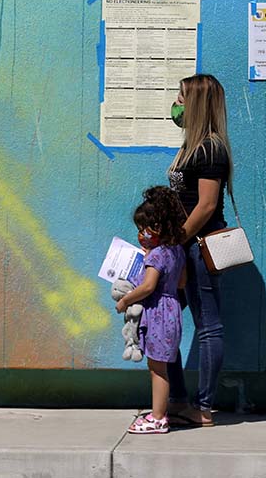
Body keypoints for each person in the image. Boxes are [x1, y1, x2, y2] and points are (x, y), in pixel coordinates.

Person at [165, 74, 234, 428]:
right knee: (164, 319)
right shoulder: (191, 145)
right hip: (182, 249)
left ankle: (203, 407)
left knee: (208, 326)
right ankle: (176, 397)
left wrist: (176, 242)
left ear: (194, 104)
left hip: (198, 248)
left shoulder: (209, 148)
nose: (175, 104)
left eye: (179, 97)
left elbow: (206, 206)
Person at [118, 186, 188, 435]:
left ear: (157, 228)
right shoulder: (177, 251)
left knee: (157, 369)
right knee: (162, 366)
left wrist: (125, 300)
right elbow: (181, 283)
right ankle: (158, 414)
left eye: (143, 229)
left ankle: (158, 417)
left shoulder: (156, 255)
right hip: (172, 311)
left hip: (158, 313)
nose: (140, 235)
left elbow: (148, 286)